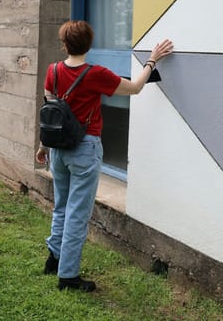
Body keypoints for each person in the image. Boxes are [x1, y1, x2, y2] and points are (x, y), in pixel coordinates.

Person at [35, 20, 173, 292]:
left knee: (61, 206)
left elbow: (52, 113)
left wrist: (43, 147)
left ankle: (54, 258)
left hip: (58, 150)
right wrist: (152, 60)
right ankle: (68, 276)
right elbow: (135, 87)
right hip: (84, 150)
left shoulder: (53, 71)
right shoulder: (96, 74)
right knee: (77, 213)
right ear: (89, 45)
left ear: (64, 44)